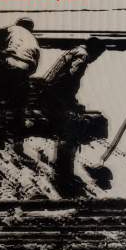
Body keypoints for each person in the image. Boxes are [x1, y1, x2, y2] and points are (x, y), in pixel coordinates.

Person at [41, 36, 106, 192]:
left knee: (71, 126)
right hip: (54, 96)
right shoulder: (83, 56)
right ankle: (63, 176)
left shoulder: (76, 51)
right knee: (71, 129)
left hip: (50, 93)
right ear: (94, 50)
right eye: (97, 55)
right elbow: (70, 78)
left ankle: (63, 172)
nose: (95, 59)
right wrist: (70, 102)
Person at [0, 17, 40, 152]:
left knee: (1, 104)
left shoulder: (13, 29)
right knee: (19, 109)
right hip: (24, 71)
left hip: (10, 65)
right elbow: (34, 68)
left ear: (19, 23)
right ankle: (18, 143)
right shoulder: (34, 40)